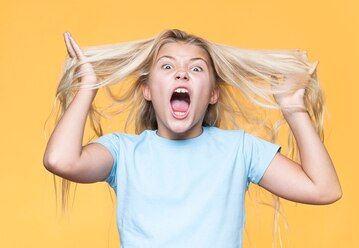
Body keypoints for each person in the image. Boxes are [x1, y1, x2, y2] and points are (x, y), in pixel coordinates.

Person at [43, 29, 342, 247]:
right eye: (168, 66)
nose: (182, 74)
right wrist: (88, 88)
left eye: (196, 68)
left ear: (213, 94)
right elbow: (60, 160)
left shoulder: (238, 149)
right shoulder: (123, 152)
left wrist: (293, 108)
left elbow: (324, 189)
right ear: (147, 90)